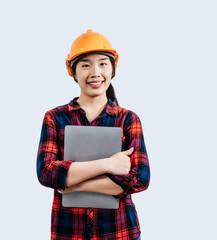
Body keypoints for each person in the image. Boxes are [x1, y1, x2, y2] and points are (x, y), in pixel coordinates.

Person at [36, 29, 150, 240]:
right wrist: (107, 165)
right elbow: (46, 172)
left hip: (119, 231)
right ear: (73, 71)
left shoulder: (128, 120)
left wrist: (72, 185)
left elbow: (140, 178)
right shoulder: (54, 118)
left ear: (113, 69)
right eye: (86, 64)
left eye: (103, 63)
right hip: (69, 232)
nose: (95, 72)